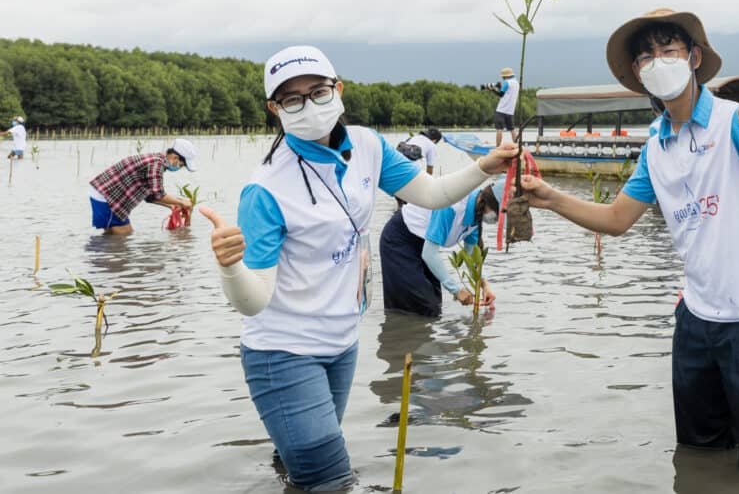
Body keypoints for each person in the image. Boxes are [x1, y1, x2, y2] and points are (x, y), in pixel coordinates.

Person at [519, 8, 739, 480]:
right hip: (696, 321)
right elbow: (617, 219)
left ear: (694, 57)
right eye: (645, 57)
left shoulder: (735, 123)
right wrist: (550, 198)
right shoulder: (656, 147)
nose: (657, 62)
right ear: (638, 74)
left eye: (668, 51)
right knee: (700, 455)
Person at [200, 45, 516, 492]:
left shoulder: (367, 146)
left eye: (318, 91)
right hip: (284, 352)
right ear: (275, 109)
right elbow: (254, 302)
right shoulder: (265, 188)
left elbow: (431, 193)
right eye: (292, 99)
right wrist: (230, 267)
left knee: (300, 470)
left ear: (339, 89)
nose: (308, 105)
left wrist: (485, 166)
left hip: (342, 345)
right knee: (332, 480)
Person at [380, 181, 503, 317]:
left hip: (423, 242)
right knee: (422, 305)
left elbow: (470, 255)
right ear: (488, 204)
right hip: (400, 240)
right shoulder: (452, 207)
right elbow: (429, 254)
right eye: (498, 216)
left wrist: (485, 285)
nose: (497, 220)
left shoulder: (476, 216)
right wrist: (456, 290)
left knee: (435, 302)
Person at [87, 138, 198, 235]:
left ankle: (97, 256)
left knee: (113, 239)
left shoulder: (157, 162)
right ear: (175, 157)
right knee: (125, 234)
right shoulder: (156, 164)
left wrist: (171, 206)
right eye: (181, 165)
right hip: (107, 196)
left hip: (108, 196)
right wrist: (182, 202)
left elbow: (150, 196)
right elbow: (159, 194)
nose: (179, 168)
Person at [485, 67, 519, 146]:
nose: (502, 78)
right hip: (510, 111)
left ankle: (498, 148)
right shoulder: (516, 83)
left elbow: (501, 94)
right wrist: (499, 88)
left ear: (505, 76)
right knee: (512, 129)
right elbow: (507, 92)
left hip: (501, 110)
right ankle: (517, 146)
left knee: (499, 129)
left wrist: (492, 89)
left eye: (503, 76)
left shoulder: (507, 82)